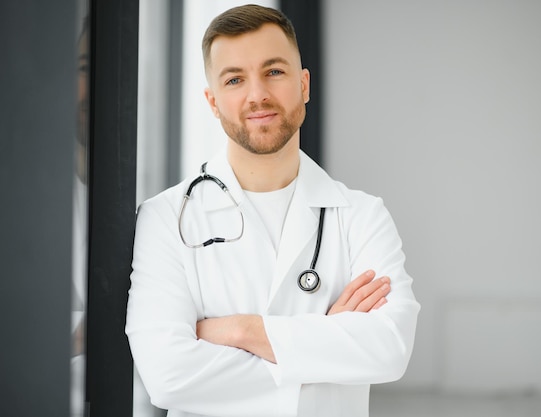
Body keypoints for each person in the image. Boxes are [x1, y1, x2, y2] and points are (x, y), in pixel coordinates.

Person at [126, 4, 419, 417]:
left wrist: (241, 330)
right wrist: (326, 345)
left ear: (304, 84)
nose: (257, 94)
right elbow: (168, 375)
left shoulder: (362, 215)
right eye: (234, 79)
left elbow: (389, 348)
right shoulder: (165, 219)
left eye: (274, 72)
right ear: (212, 102)